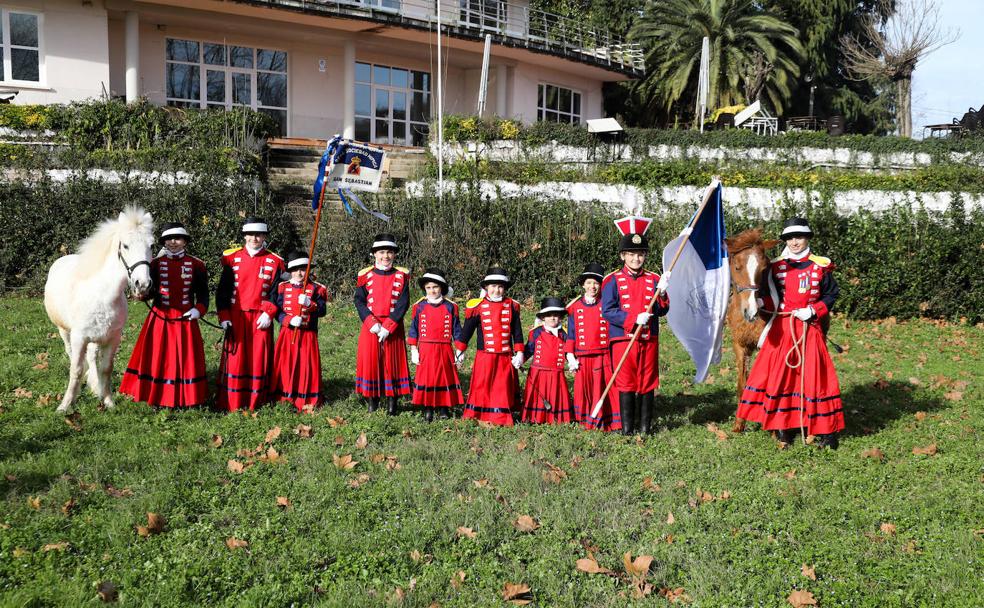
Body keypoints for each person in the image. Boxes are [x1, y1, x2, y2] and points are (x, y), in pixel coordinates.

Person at [736, 217, 844, 448]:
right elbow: (769, 296)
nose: (794, 242)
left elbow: (831, 295)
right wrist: (761, 304)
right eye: (790, 238)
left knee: (816, 378)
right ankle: (784, 426)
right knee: (782, 377)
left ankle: (825, 431)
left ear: (807, 239)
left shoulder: (820, 265)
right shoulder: (775, 267)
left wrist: (813, 310)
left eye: (799, 237)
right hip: (784, 328)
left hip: (809, 328)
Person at [119, 222, 208, 408]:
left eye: (177, 239)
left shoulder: (197, 264)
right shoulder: (155, 264)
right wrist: (143, 294)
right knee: (158, 357)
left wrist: (198, 310)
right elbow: (150, 291)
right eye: (168, 239)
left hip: (186, 319)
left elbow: (203, 296)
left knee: (186, 359)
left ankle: (188, 397)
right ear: (164, 243)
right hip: (161, 318)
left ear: (185, 242)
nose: (173, 242)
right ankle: (157, 395)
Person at [601, 228, 669, 435]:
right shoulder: (611, 280)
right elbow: (607, 310)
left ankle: (645, 428)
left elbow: (662, 310)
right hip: (623, 338)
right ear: (623, 256)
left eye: (640, 254)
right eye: (631, 254)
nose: (636, 259)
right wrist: (631, 319)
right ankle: (628, 430)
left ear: (645, 256)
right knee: (626, 381)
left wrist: (663, 293)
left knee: (647, 381)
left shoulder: (654, 279)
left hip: (648, 338)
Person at [215, 217, 284, 412]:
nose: (254, 238)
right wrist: (224, 317)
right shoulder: (231, 258)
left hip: (260, 317)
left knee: (259, 358)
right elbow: (223, 291)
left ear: (264, 237)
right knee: (236, 359)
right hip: (236, 316)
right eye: (250, 234)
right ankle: (232, 401)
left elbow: (276, 292)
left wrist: (269, 313)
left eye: (259, 235)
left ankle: (257, 401)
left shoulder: (275, 261)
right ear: (244, 236)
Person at [455, 267, 524, 427]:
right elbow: (467, 331)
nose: (496, 290)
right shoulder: (477, 306)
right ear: (486, 287)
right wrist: (460, 350)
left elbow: (517, 332)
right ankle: (479, 413)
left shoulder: (512, 306)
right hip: (484, 355)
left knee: (501, 386)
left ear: (505, 288)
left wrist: (519, 352)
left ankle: (500, 416)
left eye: (500, 286)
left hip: (505, 355)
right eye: (493, 286)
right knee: (482, 385)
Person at [354, 233, 411, 415]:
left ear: (394, 255)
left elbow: (403, 302)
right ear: (374, 254)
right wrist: (372, 322)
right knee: (372, 362)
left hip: (392, 325)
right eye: (381, 252)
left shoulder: (402, 276)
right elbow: (359, 301)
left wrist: (389, 325)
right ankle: (373, 400)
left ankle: (392, 403)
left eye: (389, 252)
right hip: (371, 325)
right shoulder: (365, 275)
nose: (385, 256)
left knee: (393, 364)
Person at [270, 251, 329, 412]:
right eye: (295, 269)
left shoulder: (317, 288)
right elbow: (277, 310)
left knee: (306, 366)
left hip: (308, 334)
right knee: (286, 364)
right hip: (287, 334)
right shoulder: (282, 287)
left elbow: (323, 310)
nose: (299, 273)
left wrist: (311, 304)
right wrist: (287, 320)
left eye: (303, 269)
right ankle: (284, 395)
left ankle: (305, 397)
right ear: (290, 271)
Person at [566, 262, 620, 432]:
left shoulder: (607, 304)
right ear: (583, 284)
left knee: (603, 388)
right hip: (582, 356)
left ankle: (609, 420)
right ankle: (585, 419)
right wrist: (570, 356)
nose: (592, 287)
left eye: (596, 283)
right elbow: (571, 334)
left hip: (602, 354)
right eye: (589, 283)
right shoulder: (574, 307)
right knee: (585, 389)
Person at [407, 267, 464, 421]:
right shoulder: (419, 307)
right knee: (427, 378)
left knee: (443, 377)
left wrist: (460, 351)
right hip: (425, 348)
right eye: (428, 288)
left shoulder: (451, 306)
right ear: (424, 289)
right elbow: (413, 330)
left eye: (435, 287)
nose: (432, 291)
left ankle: (443, 407)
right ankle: (428, 408)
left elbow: (457, 330)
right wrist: (414, 349)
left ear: (442, 288)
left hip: (445, 348)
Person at [520, 297, 574, 424]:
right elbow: (529, 348)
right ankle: (535, 417)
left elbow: (568, 350)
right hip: (538, 372)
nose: (552, 318)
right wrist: (520, 359)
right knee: (538, 396)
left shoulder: (564, 333)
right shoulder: (536, 332)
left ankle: (556, 418)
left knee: (556, 396)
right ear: (543, 317)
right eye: (549, 315)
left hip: (556, 372)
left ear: (560, 317)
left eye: (556, 315)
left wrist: (572, 360)